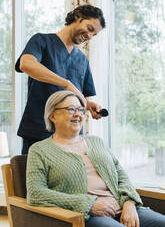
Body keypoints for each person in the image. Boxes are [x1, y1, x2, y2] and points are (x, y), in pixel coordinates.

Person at [26, 90, 165, 227]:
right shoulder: (39, 150)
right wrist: (88, 204)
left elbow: (121, 176)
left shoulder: (97, 142)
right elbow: (36, 193)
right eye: (71, 109)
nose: (78, 114)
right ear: (52, 116)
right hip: (87, 215)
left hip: (122, 207)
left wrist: (129, 203)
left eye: (81, 109)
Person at [15, 4, 106, 154]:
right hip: (39, 133)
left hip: (72, 136)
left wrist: (88, 104)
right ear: (78, 16)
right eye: (90, 28)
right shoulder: (41, 41)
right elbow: (26, 64)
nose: (89, 36)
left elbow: (75, 96)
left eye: (94, 34)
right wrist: (66, 83)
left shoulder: (82, 60)